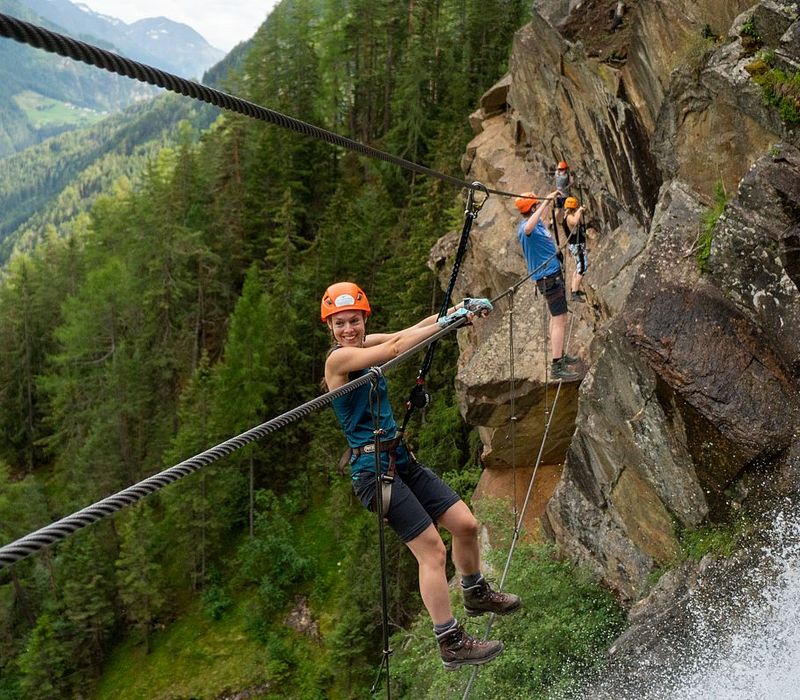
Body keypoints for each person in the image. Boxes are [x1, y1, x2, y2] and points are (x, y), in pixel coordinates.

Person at [321, 282, 522, 670]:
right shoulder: (338, 361)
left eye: (354, 321)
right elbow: (397, 350)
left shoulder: (362, 344)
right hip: (372, 472)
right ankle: (450, 641)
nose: (348, 329)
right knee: (432, 550)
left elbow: (405, 332)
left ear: (364, 318)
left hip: (399, 459)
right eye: (340, 323)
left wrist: (454, 314)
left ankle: (475, 591)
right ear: (330, 327)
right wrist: (450, 320)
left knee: (465, 524)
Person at [515, 192, 580, 382]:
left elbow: (541, 224)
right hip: (548, 278)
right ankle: (556, 365)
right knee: (560, 320)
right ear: (533, 208)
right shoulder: (526, 229)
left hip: (552, 275)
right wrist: (544, 202)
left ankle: (559, 354)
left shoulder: (538, 225)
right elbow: (528, 227)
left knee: (556, 318)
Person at [563, 196, 588, 303]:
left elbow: (580, 223)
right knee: (582, 267)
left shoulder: (568, 215)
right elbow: (574, 221)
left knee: (578, 266)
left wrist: (580, 212)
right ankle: (574, 292)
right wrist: (580, 210)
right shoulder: (569, 217)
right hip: (577, 245)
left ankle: (574, 289)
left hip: (577, 245)